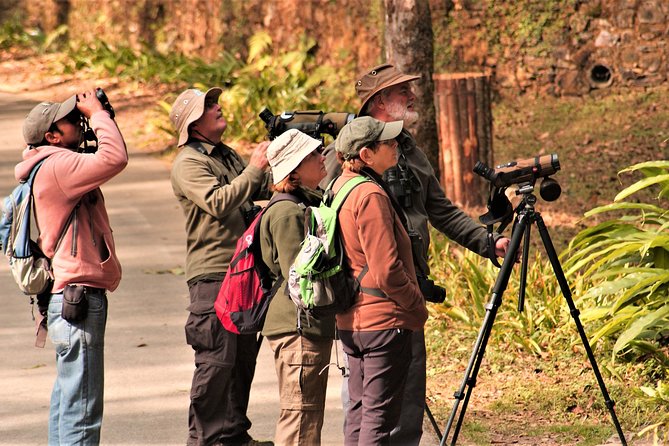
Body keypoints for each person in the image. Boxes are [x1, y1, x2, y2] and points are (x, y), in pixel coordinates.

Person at [322, 64, 511, 445]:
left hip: (404, 295)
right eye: (402, 91)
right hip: (369, 302)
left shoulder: (408, 150)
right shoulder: (342, 154)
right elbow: (326, 223)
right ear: (378, 102)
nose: (412, 96)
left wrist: (488, 243)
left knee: (404, 407)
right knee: (369, 411)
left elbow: (441, 210)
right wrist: (409, 302)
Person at [16, 90, 128, 444]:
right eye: (69, 119)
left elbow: (103, 153)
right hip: (78, 299)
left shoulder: (49, 164)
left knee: (68, 402)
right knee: (82, 411)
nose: (78, 120)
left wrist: (102, 117)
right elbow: (115, 157)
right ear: (51, 136)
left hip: (67, 298)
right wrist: (96, 113)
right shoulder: (60, 166)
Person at [169, 87, 272, 446]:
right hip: (213, 273)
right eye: (209, 106)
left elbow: (257, 191)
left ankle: (233, 435)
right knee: (216, 362)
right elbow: (218, 201)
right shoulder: (189, 163)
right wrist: (256, 169)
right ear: (193, 123)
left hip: (244, 270)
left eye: (214, 102)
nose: (218, 108)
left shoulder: (225, 155)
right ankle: (205, 440)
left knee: (243, 359)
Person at [332, 116, 428, 445]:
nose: (396, 146)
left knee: (359, 413)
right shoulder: (369, 195)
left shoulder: (338, 187)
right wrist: (415, 303)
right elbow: (386, 269)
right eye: (388, 143)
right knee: (378, 417)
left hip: (352, 320)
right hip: (382, 322)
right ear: (366, 154)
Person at [259, 129, 334, 445]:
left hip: (300, 327)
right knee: (299, 416)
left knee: (307, 416)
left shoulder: (299, 204)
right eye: (313, 154)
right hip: (298, 328)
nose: (321, 157)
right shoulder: (288, 212)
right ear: (294, 169)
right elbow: (300, 279)